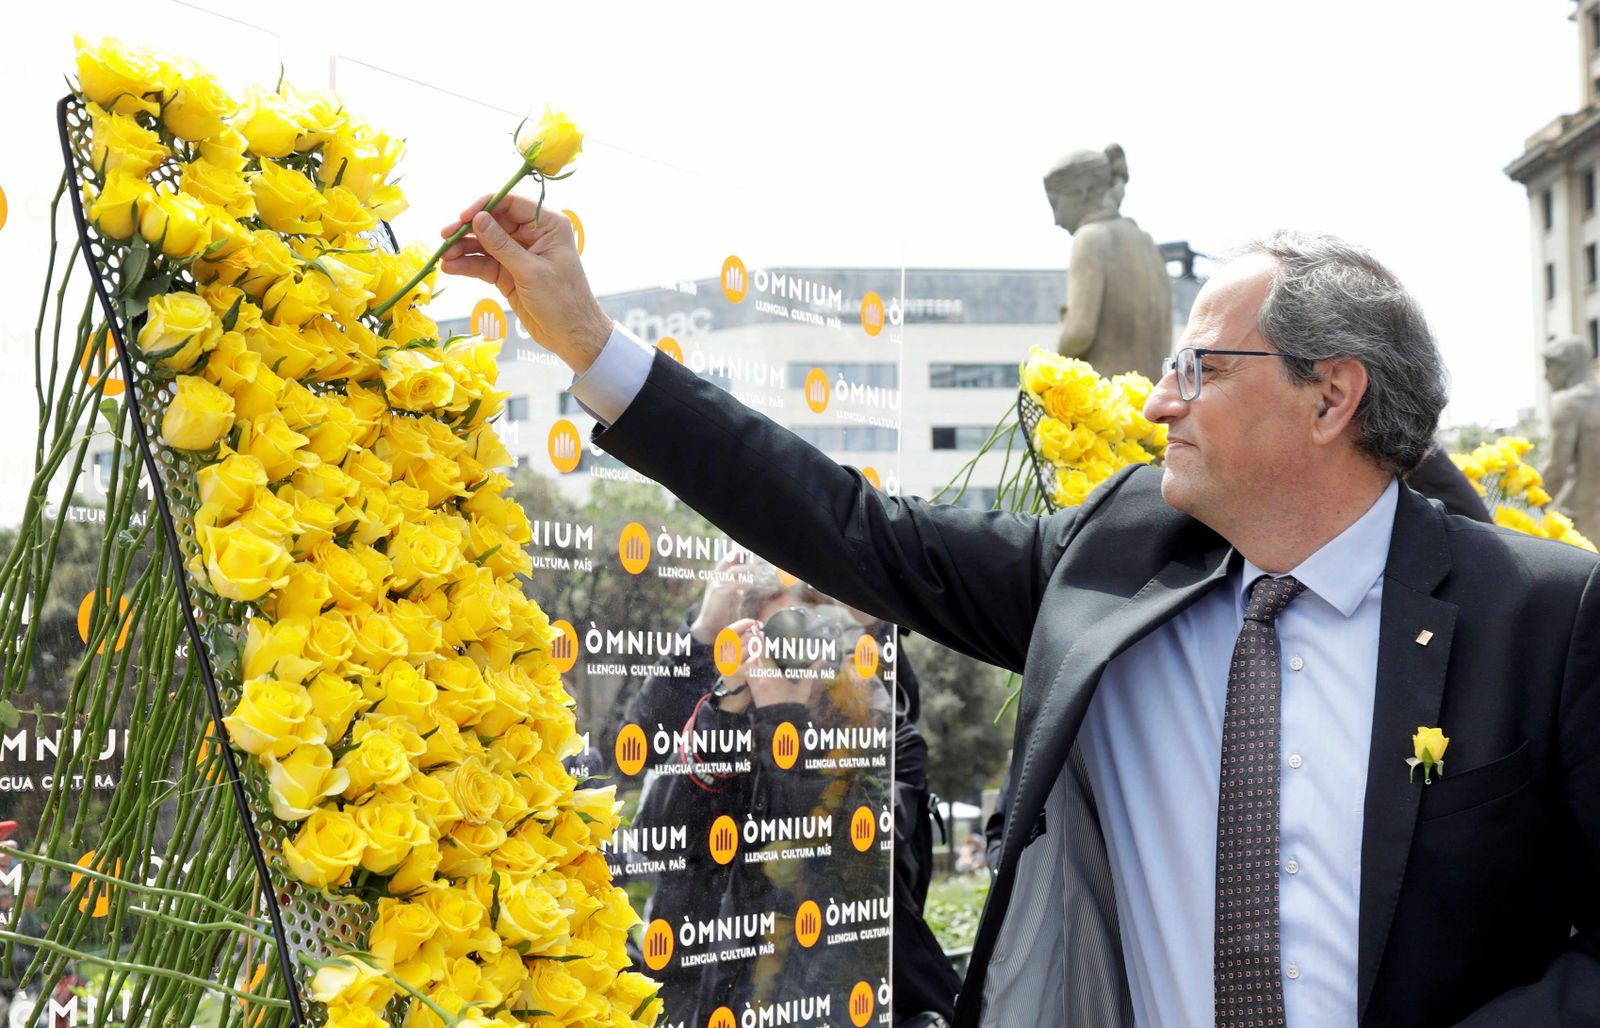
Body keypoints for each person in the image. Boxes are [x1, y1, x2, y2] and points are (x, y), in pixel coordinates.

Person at [439, 198, 1600, 1026]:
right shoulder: (1109, 564)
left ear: (1330, 394)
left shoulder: (1543, 617)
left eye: (1201, 369)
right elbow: (853, 527)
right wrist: (592, 347)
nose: (1156, 401)